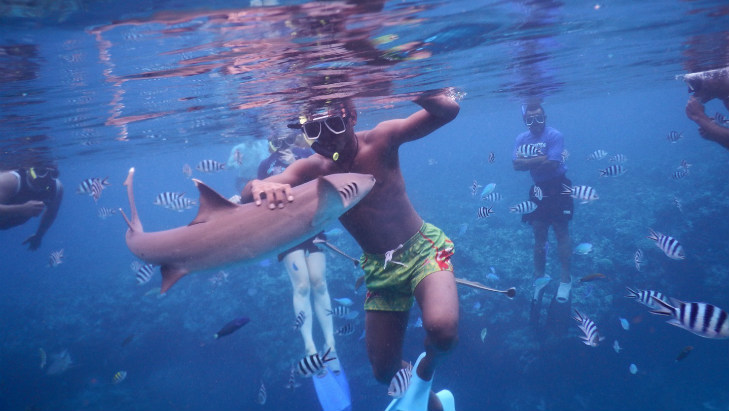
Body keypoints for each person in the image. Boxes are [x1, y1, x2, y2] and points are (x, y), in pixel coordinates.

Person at [240, 89, 460, 411]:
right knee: (385, 373)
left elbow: (447, 112)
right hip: (380, 269)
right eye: (313, 130)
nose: (325, 138)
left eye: (333, 124)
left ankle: (426, 372)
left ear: (352, 117)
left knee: (443, 333)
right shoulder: (313, 169)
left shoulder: (381, 140)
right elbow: (251, 193)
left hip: (421, 250)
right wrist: (258, 186)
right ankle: (432, 403)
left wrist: (414, 88)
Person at [257, 133, 340, 369]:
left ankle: (331, 344)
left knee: (319, 283)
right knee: (302, 284)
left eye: (286, 138)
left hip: (313, 223)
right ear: (270, 142)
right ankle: (309, 346)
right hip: (285, 230)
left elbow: (323, 180)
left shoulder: (305, 155)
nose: (281, 144)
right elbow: (260, 198)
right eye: (276, 140)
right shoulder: (266, 165)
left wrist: (295, 160)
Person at [511, 103, 573, 322]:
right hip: (538, 190)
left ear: (545, 117)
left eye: (539, 118)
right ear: (525, 121)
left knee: (561, 231)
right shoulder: (521, 139)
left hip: (559, 186)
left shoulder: (555, 135)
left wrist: (530, 162)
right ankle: (540, 278)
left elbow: (554, 163)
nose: (535, 124)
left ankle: (565, 280)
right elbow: (516, 165)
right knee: (539, 234)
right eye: (530, 120)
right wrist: (541, 159)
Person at [0, 166, 63, 250]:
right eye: (41, 172)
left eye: (54, 174)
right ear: (31, 169)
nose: (47, 178)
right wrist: (21, 209)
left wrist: (39, 235)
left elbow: (51, 214)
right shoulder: (10, 180)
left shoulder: (56, 189)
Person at [684, 66, 729, 151]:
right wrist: (716, 135)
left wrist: (701, 119)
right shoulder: (726, 97)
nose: (695, 93)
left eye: (697, 84)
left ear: (713, 78)